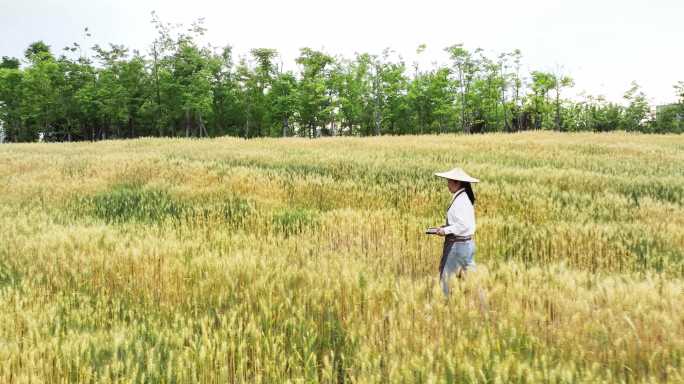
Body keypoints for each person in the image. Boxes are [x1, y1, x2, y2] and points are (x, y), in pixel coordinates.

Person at [433, 167, 479, 296]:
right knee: (471, 280)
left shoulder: (461, 200)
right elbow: (463, 223)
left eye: (449, 182)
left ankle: (444, 307)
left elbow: (463, 225)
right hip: (467, 244)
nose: (447, 185)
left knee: (445, 281)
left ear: (457, 183)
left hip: (458, 246)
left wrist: (445, 230)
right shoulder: (465, 197)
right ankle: (482, 306)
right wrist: (445, 227)